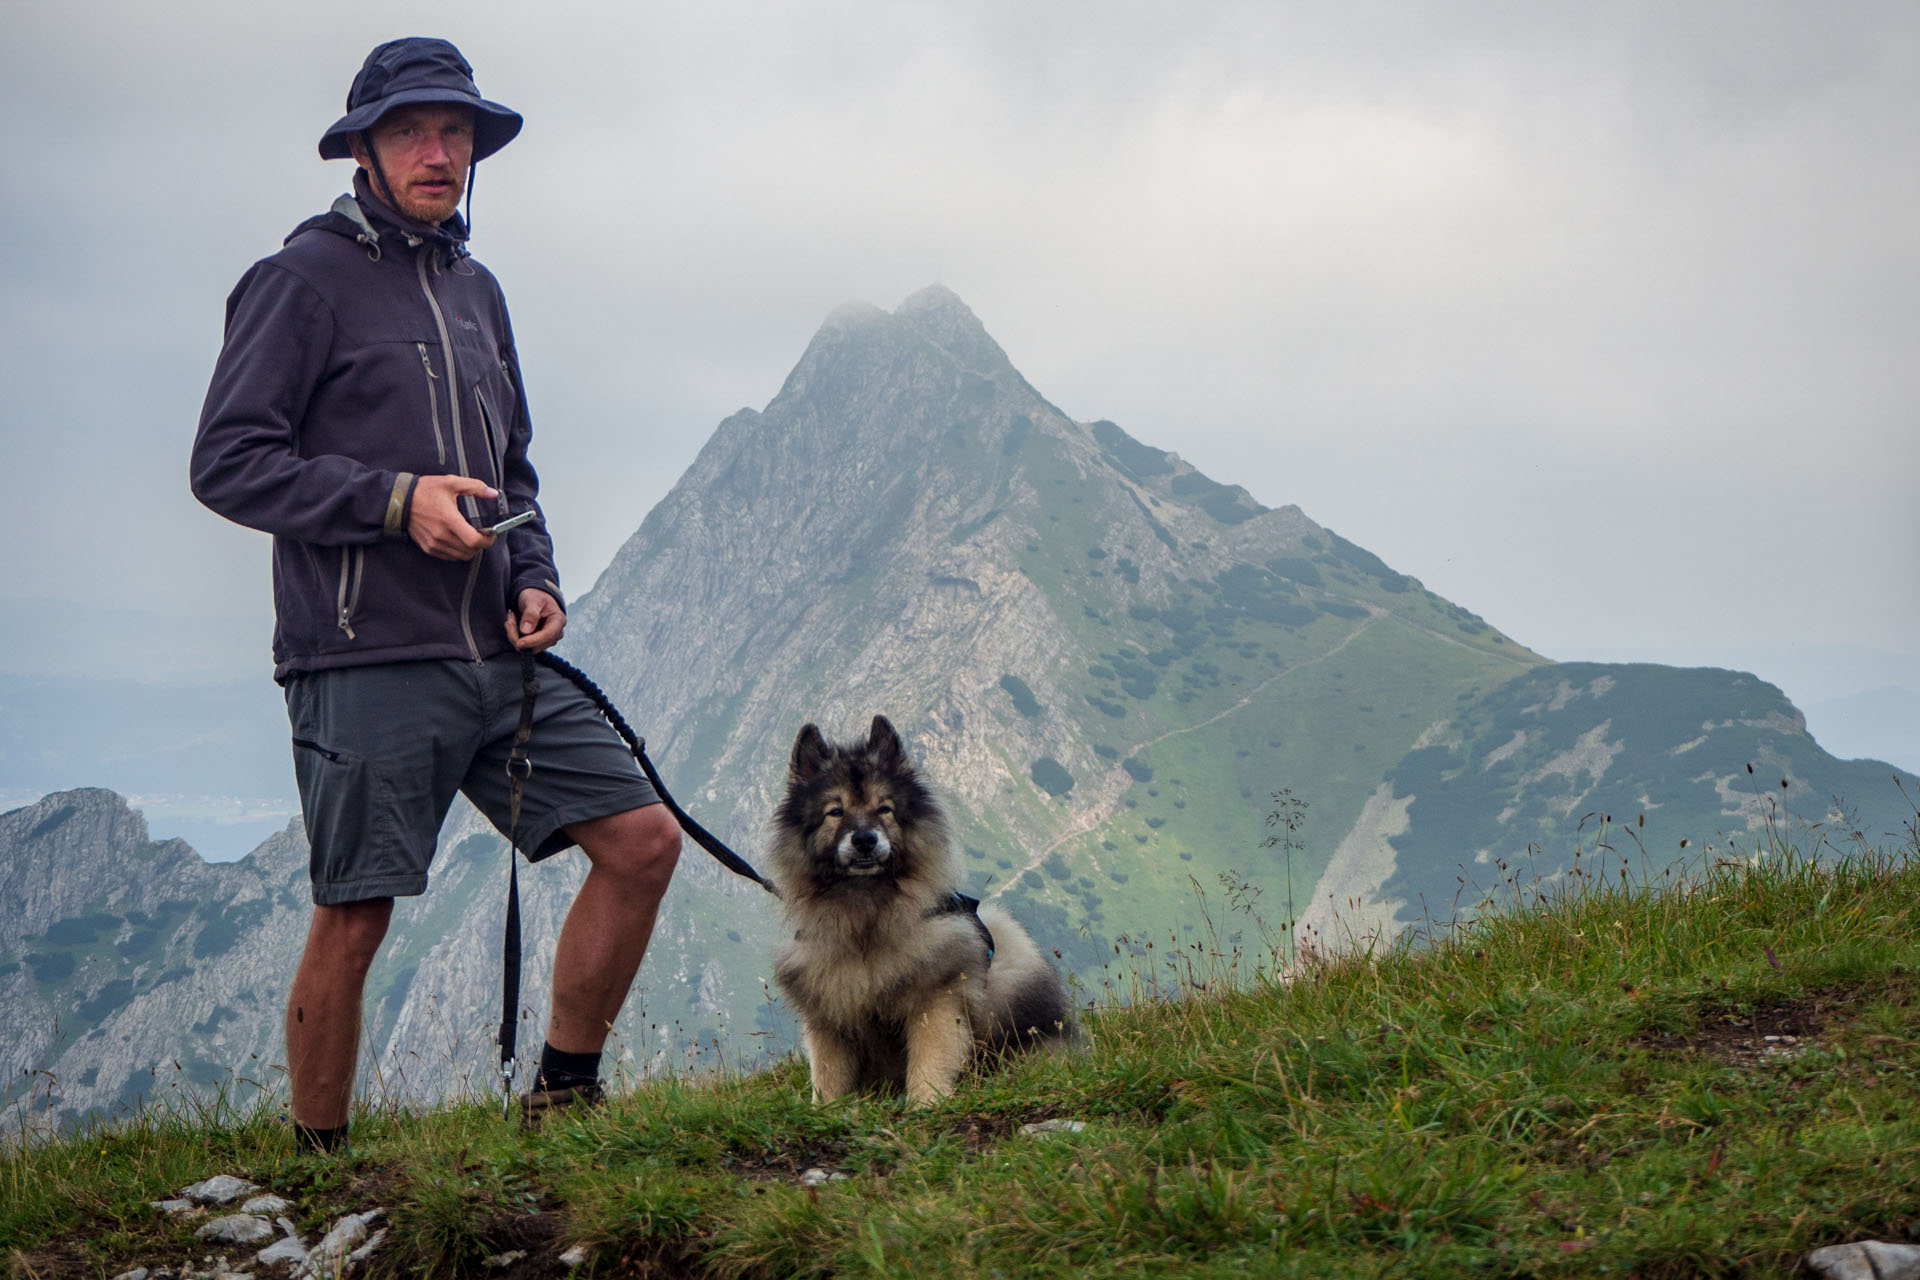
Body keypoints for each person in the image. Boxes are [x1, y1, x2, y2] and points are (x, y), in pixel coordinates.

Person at [190, 37, 680, 1150]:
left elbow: (513, 469)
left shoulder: (477, 292)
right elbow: (226, 460)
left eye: (456, 131)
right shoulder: (299, 280)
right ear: (362, 147)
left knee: (646, 839)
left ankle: (563, 1096)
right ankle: (321, 1174)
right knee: (355, 911)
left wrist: (538, 577)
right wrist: (396, 499)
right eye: (412, 130)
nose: (438, 151)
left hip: (496, 657)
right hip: (365, 655)